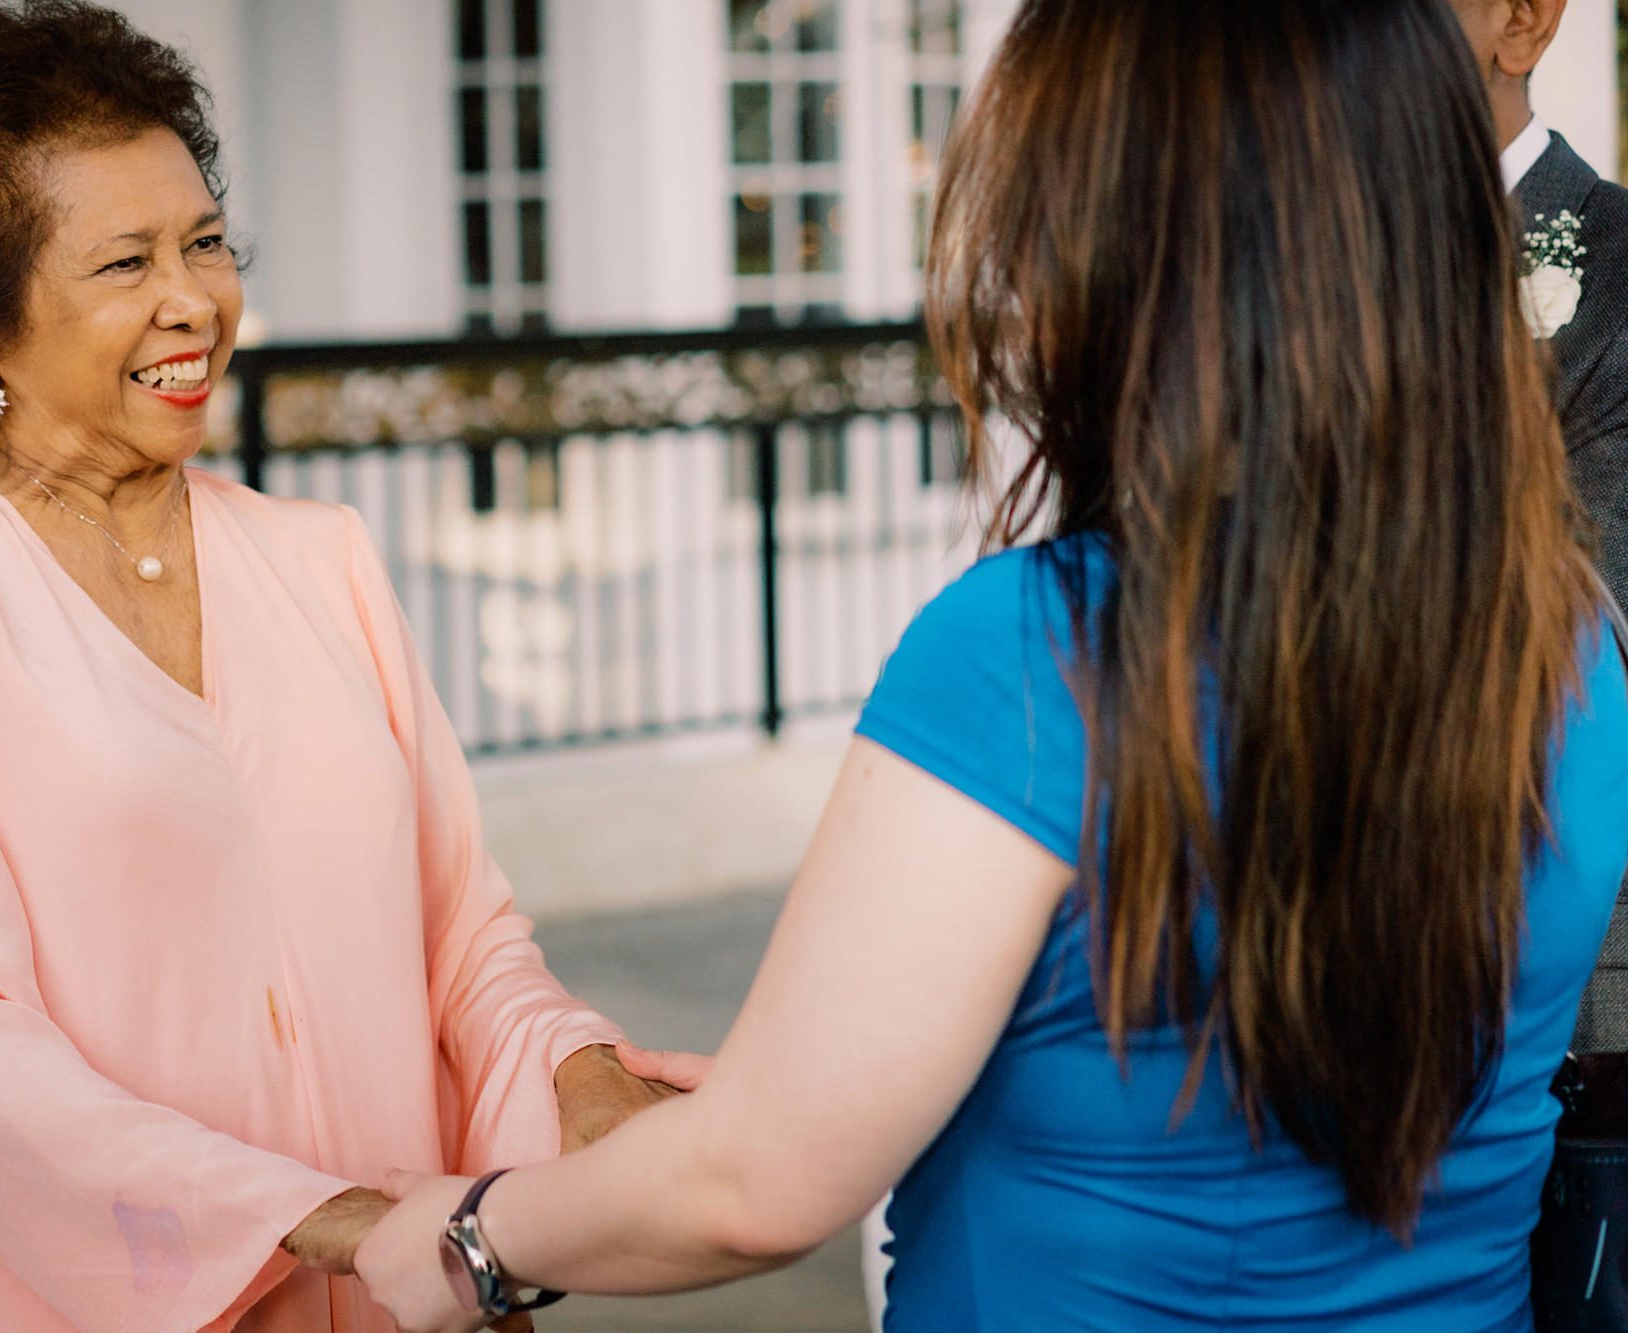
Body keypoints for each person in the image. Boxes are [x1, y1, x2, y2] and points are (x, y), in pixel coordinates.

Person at [353, 1, 1628, 1329]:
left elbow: (756, 1183)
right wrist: (852, 1052)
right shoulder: (1571, 640)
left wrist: (470, 1236)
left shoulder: (1036, 653)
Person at [0, 4, 672, 1329]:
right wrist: (319, 1216)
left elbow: (462, 936)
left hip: (382, 1282)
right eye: (123, 263)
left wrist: (582, 1075)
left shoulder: (325, 560)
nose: (193, 299)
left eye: (204, 243)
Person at [1449, 0, 1628, 1054]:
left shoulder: (1615, 271)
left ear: (1521, 20)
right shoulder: (1267, 285)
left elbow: (1587, 635)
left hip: (1576, 1001)